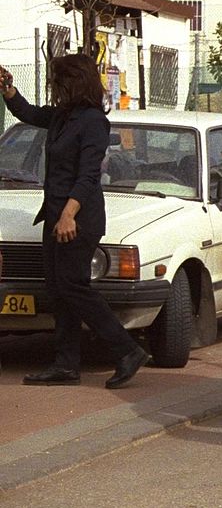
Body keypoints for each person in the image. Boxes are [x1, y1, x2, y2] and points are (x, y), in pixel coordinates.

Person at [0, 58, 147, 389]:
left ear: (73, 82)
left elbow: (88, 174)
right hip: (55, 216)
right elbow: (30, 113)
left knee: (72, 286)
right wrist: (9, 91)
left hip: (78, 218)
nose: (53, 87)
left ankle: (127, 350)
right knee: (58, 289)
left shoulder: (93, 121)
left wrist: (69, 214)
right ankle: (65, 364)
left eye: (57, 81)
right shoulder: (63, 116)